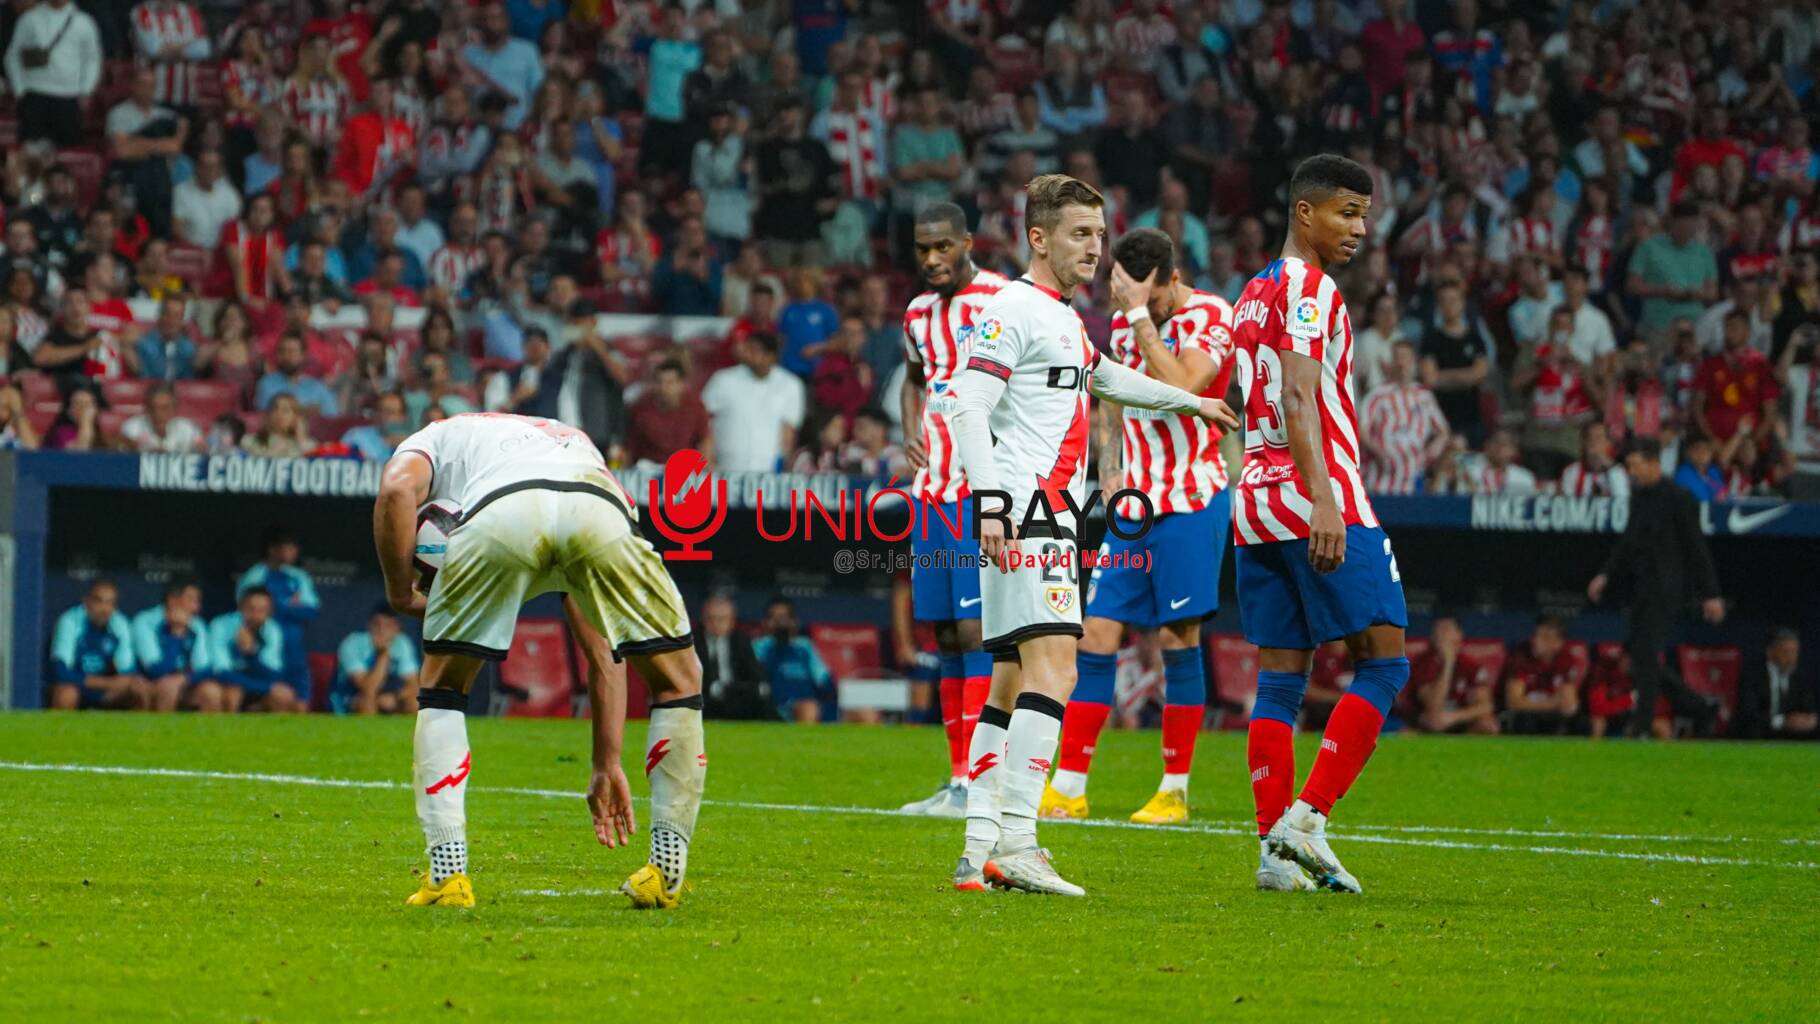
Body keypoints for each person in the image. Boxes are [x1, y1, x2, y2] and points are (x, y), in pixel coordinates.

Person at [946, 174, 1236, 895]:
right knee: (1059, 672)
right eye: (1080, 233)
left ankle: (978, 845)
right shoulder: (1012, 306)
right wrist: (988, 504)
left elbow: (1107, 377)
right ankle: (1018, 841)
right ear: (1038, 238)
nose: (1095, 248)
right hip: (1026, 511)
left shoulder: (1063, 319)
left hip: (1028, 511)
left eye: (1099, 235)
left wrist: (1190, 403)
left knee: (1010, 681)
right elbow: (964, 405)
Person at [374, 412, 706, 910]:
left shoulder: (436, 435)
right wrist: (605, 761)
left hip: (501, 514)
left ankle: (448, 875)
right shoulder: (571, 438)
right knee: (679, 680)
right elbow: (603, 655)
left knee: (443, 689)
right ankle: (666, 872)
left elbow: (397, 493)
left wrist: (401, 590)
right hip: (598, 509)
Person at [1227, 155, 1407, 896]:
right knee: (1386, 661)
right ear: (1305, 212)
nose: (1360, 229)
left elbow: (1250, 402)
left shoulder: (1251, 292)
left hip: (1256, 498)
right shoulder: (1310, 289)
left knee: (1279, 682)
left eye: (1365, 214)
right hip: (1314, 494)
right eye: (1346, 212)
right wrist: (1325, 497)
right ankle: (1308, 819)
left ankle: (1274, 856)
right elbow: (1299, 396)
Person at [1041, 228, 1234, 827]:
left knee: (1179, 640)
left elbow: (1182, 387)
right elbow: (1110, 400)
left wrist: (1140, 318)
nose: (1133, 309)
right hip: (1132, 508)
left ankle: (1173, 790)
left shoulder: (1212, 315)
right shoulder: (1126, 323)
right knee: (1094, 635)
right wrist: (1110, 464)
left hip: (1192, 500)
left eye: (1144, 296)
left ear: (1171, 280)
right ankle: (1069, 785)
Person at [895, 203, 1006, 818]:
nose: (933, 260)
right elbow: (915, 376)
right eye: (922, 250)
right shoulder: (916, 313)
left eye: (943, 247)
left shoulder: (1001, 300)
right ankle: (957, 779)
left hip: (978, 490)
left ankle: (983, 780)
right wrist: (911, 428)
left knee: (976, 631)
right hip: (930, 490)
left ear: (968, 242)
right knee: (942, 631)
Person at [1587, 438, 1725, 738]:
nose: (1632, 472)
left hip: (1665, 587)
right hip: (1639, 586)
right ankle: (1700, 707)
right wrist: (1605, 574)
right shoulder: (1639, 496)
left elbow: (1696, 547)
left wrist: (1711, 593)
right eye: (1629, 467)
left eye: (1636, 466)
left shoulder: (1678, 497)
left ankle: (1642, 724)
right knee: (1640, 658)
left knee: (1647, 654)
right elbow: (1627, 541)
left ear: (1654, 464)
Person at [3, 0, 104, 151]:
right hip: (34, 96)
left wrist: (86, 89)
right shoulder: (29, 19)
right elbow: (12, 56)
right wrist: (20, 89)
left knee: (68, 152)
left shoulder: (84, 22)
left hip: (69, 97)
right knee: (30, 154)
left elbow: (92, 59)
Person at [700, 332, 805, 473]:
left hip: (768, 471)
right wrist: (707, 459)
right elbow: (703, 421)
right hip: (725, 467)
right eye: (747, 349)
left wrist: (783, 467)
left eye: (754, 350)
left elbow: (788, 431)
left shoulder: (790, 385)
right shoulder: (723, 380)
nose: (748, 354)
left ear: (771, 356)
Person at [237, 526, 320, 702]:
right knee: (273, 698)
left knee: (299, 704)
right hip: (263, 645)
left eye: (293, 547)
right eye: (286, 546)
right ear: (272, 549)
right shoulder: (255, 576)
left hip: (293, 649)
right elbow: (247, 611)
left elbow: (312, 611)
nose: (292, 551)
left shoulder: (298, 577)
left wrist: (280, 606)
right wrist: (290, 606)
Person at [1359, 340, 1450, 495]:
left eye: (1406, 358)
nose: (1402, 363)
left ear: (1414, 362)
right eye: (1397, 357)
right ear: (1391, 362)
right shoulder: (1377, 395)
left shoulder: (1424, 396)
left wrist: (1429, 456)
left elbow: (1443, 432)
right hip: (1381, 480)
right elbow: (1361, 430)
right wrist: (1379, 452)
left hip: (1414, 480)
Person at [49, 580, 146, 710]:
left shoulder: (119, 623)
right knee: (67, 694)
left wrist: (116, 683)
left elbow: (127, 672)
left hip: (107, 691)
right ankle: (59, 730)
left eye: (110, 603)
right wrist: (104, 683)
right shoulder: (70, 621)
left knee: (139, 689)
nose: (104, 609)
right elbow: (60, 671)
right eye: (98, 601)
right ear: (86, 602)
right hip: (78, 685)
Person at [132, 579, 219, 712]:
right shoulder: (145, 621)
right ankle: (163, 732)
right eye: (191, 600)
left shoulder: (197, 625)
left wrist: (183, 678)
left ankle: (207, 733)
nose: (196, 608)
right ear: (172, 601)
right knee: (168, 687)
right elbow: (155, 669)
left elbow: (204, 668)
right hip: (149, 681)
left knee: (211, 692)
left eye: (197, 601)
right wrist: (176, 633)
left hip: (184, 681)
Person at [210, 586, 296, 712]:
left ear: (270, 612)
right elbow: (221, 672)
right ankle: (226, 730)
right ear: (240, 608)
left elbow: (273, 674)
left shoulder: (273, 630)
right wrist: (265, 687)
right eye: (251, 609)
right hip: (230, 684)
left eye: (262, 610)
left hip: (258, 684)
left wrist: (250, 654)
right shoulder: (221, 625)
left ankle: (274, 731)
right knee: (232, 692)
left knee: (283, 695)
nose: (256, 615)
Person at [1409, 615, 1496, 734]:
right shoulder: (1422, 664)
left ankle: (1464, 750)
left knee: (1488, 724)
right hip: (1429, 716)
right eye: (1437, 631)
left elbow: (1486, 705)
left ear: (1459, 635)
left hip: (1458, 716)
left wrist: (1453, 717)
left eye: (1446, 630)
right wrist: (1448, 664)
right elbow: (1433, 704)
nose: (1442, 635)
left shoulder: (1471, 665)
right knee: (1434, 720)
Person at [752, 597, 834, 723]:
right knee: (808, 708)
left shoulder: (805, 646)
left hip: (811, 702)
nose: (780, 622)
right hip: (780, 706)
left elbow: (824, 680)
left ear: (794, 622)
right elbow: (757, 680)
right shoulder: (759, 646)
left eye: (785, 617)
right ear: (764, 622)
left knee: (865, 713)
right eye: (774, 618)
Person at [332, 605, 421, 715]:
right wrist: (383, 654)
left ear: (397, 628)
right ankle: (365, 732)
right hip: (351, 697)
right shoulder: (352, 643)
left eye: (388, 626)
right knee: (367, 700)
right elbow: (368, 688)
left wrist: (395, 696)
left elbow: (413, 685)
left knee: (414, 700)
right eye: (377, 625)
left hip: (389, 695)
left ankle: (409, 732)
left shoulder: (402, 643)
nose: (382, 631)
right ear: (369, 625)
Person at [1501, 617, 1583, 735]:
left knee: (1580, 722)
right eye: (1535, 635)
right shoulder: (1520, 657)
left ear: (1558, 643)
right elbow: (1514, 702)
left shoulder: (1566, 659)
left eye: (1545, 638)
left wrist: (1563, 705)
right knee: (1526, 720)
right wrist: (1552, 704)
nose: (1536, 641)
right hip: (1526, 714)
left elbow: (1568, 701)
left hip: (1550, 713)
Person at [695, 594, 771, 721]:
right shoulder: (694, 642)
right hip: (707, 697)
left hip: (736, 695)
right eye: (711, 618)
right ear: (703, 619)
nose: (716, 624)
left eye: (722, 619)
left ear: (732, 621)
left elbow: (755, 673)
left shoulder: (741, 640)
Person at [625, 358, 712, 466]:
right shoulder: (640, 408)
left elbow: (705, 440)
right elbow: (630, 446)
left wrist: (706, 469)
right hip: (649, 471)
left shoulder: (695, 407)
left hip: (685, 469)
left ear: (681, 384)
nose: (663, 387)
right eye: (659, 382)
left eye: (669, 382)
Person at [1733, 630, 1818, 740]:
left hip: (1791, 736)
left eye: (1794, 652)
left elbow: (1808, 708)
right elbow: (1748, 714)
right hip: (1758, 734)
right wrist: (1782, 722)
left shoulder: (1801, 677)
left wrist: (1809, 720)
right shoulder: (1752, 675)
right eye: (1786, 652)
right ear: (1770, 652)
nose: (1791, 658)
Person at [119, 384, 203, 453]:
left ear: (174, 409)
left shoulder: (189, 429)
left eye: (165, 408)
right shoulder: (132, 427)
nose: (158, 414)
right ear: (146, 409)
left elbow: (202, 452)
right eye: (153, 408)